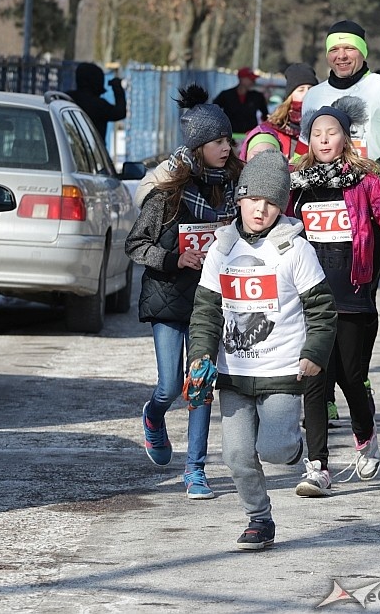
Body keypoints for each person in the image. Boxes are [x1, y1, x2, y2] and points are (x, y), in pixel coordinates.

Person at [185, 148, 336, 549]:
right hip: (233, 371)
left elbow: (322, 309)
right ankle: (259, 519)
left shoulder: (295, 249)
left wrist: (314, 354)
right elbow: (205, 309)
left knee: (275, 448)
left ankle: (296, 448)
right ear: (240, 199)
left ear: (280, 206)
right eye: (253, 199)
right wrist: (201, 355)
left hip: (283, 372)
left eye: (271, 203)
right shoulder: (222, 248)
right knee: (235, 455)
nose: (260, 210)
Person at [289, 96, 380, 497]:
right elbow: (276, 223)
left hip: (354, 294)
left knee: (351, 378)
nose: (324, 140)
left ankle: (366, 436)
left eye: (332, 132)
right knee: (314, 380)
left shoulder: (366, 182)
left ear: (346, 138)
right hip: (310, 299)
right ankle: (317, 466)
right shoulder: (296, 186)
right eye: (317, 133)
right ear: (309, 139)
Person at [125, 84, 241, 500]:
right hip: (169, 297)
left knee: (200, 384)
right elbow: (135, 245)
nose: (225, 148)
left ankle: (195, 472)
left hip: (212, 301)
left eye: (228, 140)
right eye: (216, 142)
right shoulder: (168, 194)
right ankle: (153, 417)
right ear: (197, 147)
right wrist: (176, 259)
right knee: (169, 385)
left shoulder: (235, 188)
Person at [301, 20, 380, 301]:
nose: (341, 56)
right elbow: (302, 149)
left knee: (361, 297)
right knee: (318, 294)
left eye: (349, 48)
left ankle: (358, 344)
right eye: (334, 49)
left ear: (363, 51)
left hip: (370, 207)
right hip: (322, 210)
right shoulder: (314, 95)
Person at [239, 62, 317, 162]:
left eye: (310, 89)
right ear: (290, 95)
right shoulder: (272, 128)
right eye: (301, 90)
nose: (307, 93)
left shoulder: (322, 123)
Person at [67, 62, 127, 148]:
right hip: (94, 150)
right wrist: (117, 88)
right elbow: (120, 112)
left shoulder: (67, 99)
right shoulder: (98, 105)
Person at [213, 66, 270, 136]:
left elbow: (265, 115)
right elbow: (213, 111)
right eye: (250, 79)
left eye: (253, 79)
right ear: (241, 79)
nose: (253, 81)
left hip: (249, 137)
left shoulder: (257, 97)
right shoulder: (226, 95)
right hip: (229, 137)